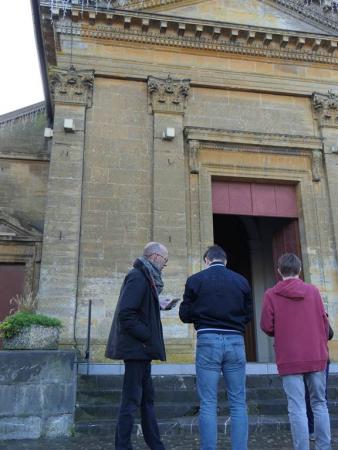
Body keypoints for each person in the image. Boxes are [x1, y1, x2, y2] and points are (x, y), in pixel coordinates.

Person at [179, 245, 252, 450]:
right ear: (225, 261)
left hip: (207, 339)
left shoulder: (195, 280)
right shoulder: (241, 281)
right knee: (238, 402)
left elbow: (185, 314)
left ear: (206, 261)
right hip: (235, 340)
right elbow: (248, 315)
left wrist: (201, 316)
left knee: (208, 403)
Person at [260, 253, 331, 450]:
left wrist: (283, 330)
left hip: (289, 357)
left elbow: (266, 326)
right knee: (319, 403)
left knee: (297, 407)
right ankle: (324, 446)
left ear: (279, 271)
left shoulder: (270, 294)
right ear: (299, 270)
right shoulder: (313, 291)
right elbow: (324, 322)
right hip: (316, 355)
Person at [105, 242, 169, 450]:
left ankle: (156, 445)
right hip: (137, 349)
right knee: (131, 401)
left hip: (142, 350)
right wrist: (147, 335)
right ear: (155, 257)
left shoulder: (145, 278)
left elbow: (137, 309)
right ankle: (122, 446)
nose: (165, 265)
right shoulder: (138, 276)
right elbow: (127, 314)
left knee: (146, 400)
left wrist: (156, 303)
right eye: (165, 260)